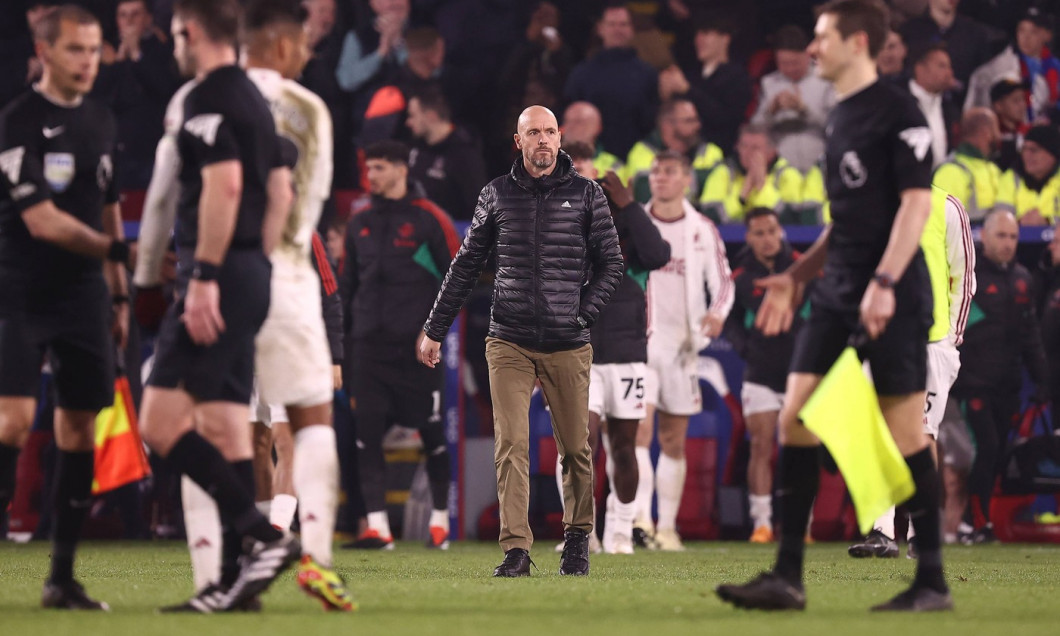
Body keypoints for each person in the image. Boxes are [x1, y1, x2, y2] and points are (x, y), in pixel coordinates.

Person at [716, 0, 952, 612]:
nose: (813, 48)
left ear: (857, 42)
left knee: (906, 432)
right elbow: (844, 222)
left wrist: (885, 281)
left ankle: (930, 581)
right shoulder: (840, 116)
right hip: (836, 290)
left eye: (822, 37)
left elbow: (914, 206)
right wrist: (796, 276)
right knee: (794, 416)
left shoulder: (900, 111)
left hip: (890, 293)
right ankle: (787, 576)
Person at [136, 0, 300, 613]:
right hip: (250, 273)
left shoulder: (206, 98)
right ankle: (234, 587)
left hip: (215, 279)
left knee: (159, 424)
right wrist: (251, 263)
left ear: (191, 33)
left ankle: (262, 540)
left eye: (177, 35)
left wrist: (208, 274)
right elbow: (278, 192)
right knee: (229, 428)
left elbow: (226, 183)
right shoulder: (258, 103)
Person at [417, 106, 623, 577]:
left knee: (576, 447)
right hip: (508, 339)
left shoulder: (588, 194)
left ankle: (576, 541)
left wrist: (582, 313)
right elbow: (465, 266)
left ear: (560, 138)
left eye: (550, 132)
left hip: (568, 341)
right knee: (511, 444)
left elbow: (612, 264)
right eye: (534, 133)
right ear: (519, 141)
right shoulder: (496, 195)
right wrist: (435, 327)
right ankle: (516, 549)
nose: (544, 140)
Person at [0, 4, 130, 610]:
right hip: (18, 288)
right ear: (45, 50)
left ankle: (62, 578)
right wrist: (115, 248)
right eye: (76, 49)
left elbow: (106, 202)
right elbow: (42, 220)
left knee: (80, 427)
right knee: (12, 420)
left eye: (96, 49)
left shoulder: (102, 121)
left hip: (83, 294)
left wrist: (120, 289)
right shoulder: (17, 121)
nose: (88, 61)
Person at [240, 0, 353, 611]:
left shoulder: (199, 101)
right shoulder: (308, 111)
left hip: (231, 282)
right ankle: (295, 550)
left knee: (262, 430)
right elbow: (305, 205)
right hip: (277, 283)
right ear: (283, 46)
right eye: (304, 43)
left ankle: (267, 542)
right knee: (280, 430)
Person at [340, 140, 460, 551]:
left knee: (432, 436)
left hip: (415, 350)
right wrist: (342, 348)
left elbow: (457, 277)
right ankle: (378, 528)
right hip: (367, 350)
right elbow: (345, 287)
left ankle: (440, 523)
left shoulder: (430, 220)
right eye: (368, 168)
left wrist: (436, 332)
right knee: (365, 436)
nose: (369, 176)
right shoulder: (359, 222)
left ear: (399, 170)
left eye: (377, 168)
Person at [847, 186, 975, 559]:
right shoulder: (869, 202)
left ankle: (922, 534)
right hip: (880, 337)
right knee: (880, 433)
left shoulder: (946, 206)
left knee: (920, 434)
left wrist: (951, 340)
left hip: (931, 341)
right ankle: (882, 531)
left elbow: (963, 274)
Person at [558, 141, 670, 555]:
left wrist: (630, 204)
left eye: (587, 166)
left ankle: (621, 529)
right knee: (577, 442)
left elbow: (659, 254)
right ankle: (581, 531)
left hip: (625, 355)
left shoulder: (624, 222)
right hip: (574, 350)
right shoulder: (553, 218)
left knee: (625, 447)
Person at [635, 151, 733, 552]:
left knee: (672, 440)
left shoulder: (701, 229)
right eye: (656, 171)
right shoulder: (633, 223)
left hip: (682, 347)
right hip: (639, 345)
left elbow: (723, 281)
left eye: (669, 172)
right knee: (638, 432)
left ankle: (668, 527)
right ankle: (639, 520)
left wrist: (717, 315)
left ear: (686, 180)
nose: (660, 178)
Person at [950, 210, 1047, 544]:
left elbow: (1030, 334)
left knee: (997, 454)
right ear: (984, 237)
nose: (1008, 244)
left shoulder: (1023, 279)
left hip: (1008, 386)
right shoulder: (968, 277)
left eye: (1013, 237)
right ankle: (975, 523)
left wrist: (1042, 379)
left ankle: (973, 521)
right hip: (973, 385)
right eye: (1001, 236)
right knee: (985, 449)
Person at [725, 208, 805, 543]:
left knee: (801, 450)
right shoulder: (740, 275)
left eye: (772, 230)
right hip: (760, 374)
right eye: (759, 233)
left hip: (801, 374)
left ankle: (802, 525)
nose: (767, 239)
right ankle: (763, 524)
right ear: (748, 237)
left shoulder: (804, 266)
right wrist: (747, 349)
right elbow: (728, 320)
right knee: (761, 447)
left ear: (781, 231)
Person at [91, 0, 181, 190]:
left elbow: (164, 88)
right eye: (123, 15)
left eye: (135, 14)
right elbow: (98, 96)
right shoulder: (105, 52)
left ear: (148, 19)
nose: (129, 21)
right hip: (115, 149)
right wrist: (117, 63)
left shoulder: (164, 48)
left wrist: (136, 54)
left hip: (150, 149)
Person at [564, 2, 657, 159]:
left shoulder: (648, 73)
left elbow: (651, 121)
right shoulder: (582, 72)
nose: (617, 29)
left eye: (623, 24)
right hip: (589, 159)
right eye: (612, 24)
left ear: (632, 29)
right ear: (600, 28)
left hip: (634, 158)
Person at [659, 15, 752, 155]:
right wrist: (665, 95)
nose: (699, 40)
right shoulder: (691, 75)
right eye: (697, 34)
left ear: (725, 38)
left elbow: (726, 119)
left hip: (720, 155)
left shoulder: (738, 76)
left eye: (706, 33)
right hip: (685, 153)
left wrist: (687, 90)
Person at [751, 24, 835, 172]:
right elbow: (755, 129)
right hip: (781, 168)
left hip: (820, 163)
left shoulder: (825, 80)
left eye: (795, 63)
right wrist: (771, 111)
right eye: (784, 63)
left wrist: (803, 110)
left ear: (807, 54)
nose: (790, 68)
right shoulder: (769, 83)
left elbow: (834, 125)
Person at [406, 86, 487, 220]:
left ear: (430, 116)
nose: (408, 122)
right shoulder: (415, 148)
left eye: (412, 115)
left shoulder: (464, 154)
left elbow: (477, 207)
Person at [964, 6, 1059, 121]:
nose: (1026, 38)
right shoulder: (997, 68)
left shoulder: (1054, 67)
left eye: (1034, 32)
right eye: (1021, 30)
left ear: (1047, 35)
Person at [899, 0, 1004, 104]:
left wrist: (958, 86)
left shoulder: (975, 33)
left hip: (962, 106)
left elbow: (984, 77)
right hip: (915, 105)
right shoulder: (909, 31)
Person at [699, 123, 804, 224]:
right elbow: (709, 218)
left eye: (755, 148)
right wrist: (742, 195)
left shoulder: (788, 175)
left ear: (772, 152)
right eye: (744, 146)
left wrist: (761, 187)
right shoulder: (723, 172)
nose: (747, 153)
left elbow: (791, 220)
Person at [624, 97, 723, 204]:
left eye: (697, 119)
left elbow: (719, 187)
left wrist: (672, 183)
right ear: (667, 125)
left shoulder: (710, 151)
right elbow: (647, 194)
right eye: (689, 120)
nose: (698, 125)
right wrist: (697, 179)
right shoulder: (642, 152)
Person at [932, 108, 1002, 222]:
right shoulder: (951, 171)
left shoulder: (993, 169)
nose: (999, 135)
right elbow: (944, 222)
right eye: (996, 130)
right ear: (986, 132)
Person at [904, 43, 960, 168]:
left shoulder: (950, 108)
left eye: (949, 67)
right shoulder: (900, 103)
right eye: (942, 66)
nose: (949, 73)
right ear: (920, 69)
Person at [996, 124, 1060, 225]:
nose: (1027, 155)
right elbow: (999, 218)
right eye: (1024, 149)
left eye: (1034, 150)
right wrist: (1019, 222)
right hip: (1016, 240)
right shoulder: (1011, 178)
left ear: (1052, 154)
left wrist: (1048, 222)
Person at [561, 101, 624, 180]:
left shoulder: (613, 166)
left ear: (598, 128)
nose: (573, 127)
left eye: (580, 122)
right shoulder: (549, 161)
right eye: (568, 121)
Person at [990, 78, 1029, 173]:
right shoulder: (990, 135)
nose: (1022, 105)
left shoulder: (1029, 133)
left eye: (1023, 99)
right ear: (998, 106)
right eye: (1016, 101)